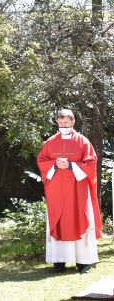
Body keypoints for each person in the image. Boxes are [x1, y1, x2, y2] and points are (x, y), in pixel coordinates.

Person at [37, 109, 101, 274]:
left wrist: (71, 165)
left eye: (65, 123)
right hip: (57, 191)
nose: (62, 126)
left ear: (73, 122)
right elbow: (41, 160)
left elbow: (91, 162)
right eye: (60, 123)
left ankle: (83, 262)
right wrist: (55, 164)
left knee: (79, 218)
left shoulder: (83, 142)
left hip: (77, 190)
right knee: (58, 221)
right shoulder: (50, 142)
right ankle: (59, 262)